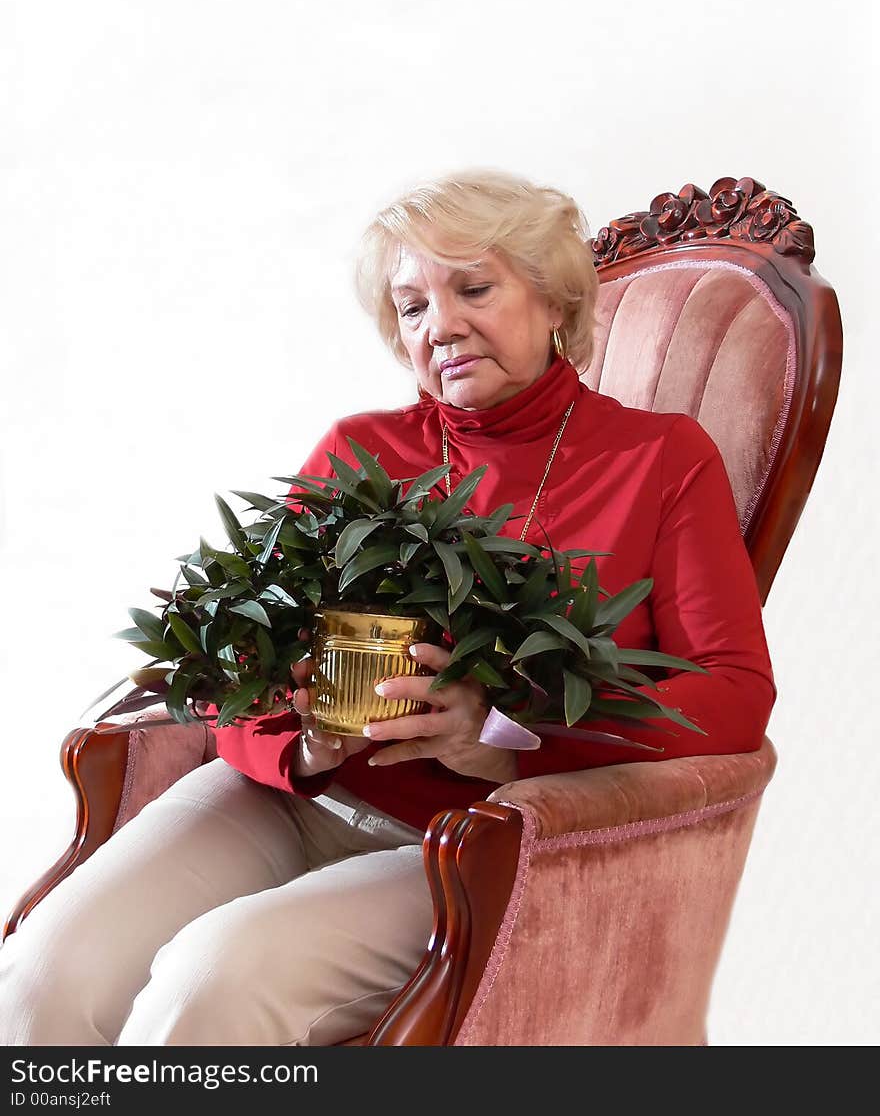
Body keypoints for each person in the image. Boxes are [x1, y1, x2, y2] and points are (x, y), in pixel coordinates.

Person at [0, 169, 776, 1046]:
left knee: (209, 988)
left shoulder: (661, 461)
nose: (440, 324)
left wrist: (507, 735)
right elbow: (231, 668)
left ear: (555, 298)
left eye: (474, 288)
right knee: (39, 978)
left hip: (461, 846)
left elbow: (735, 694)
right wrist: (299, 735)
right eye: (411, 307)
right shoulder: (358, 451)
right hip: (292, 799)